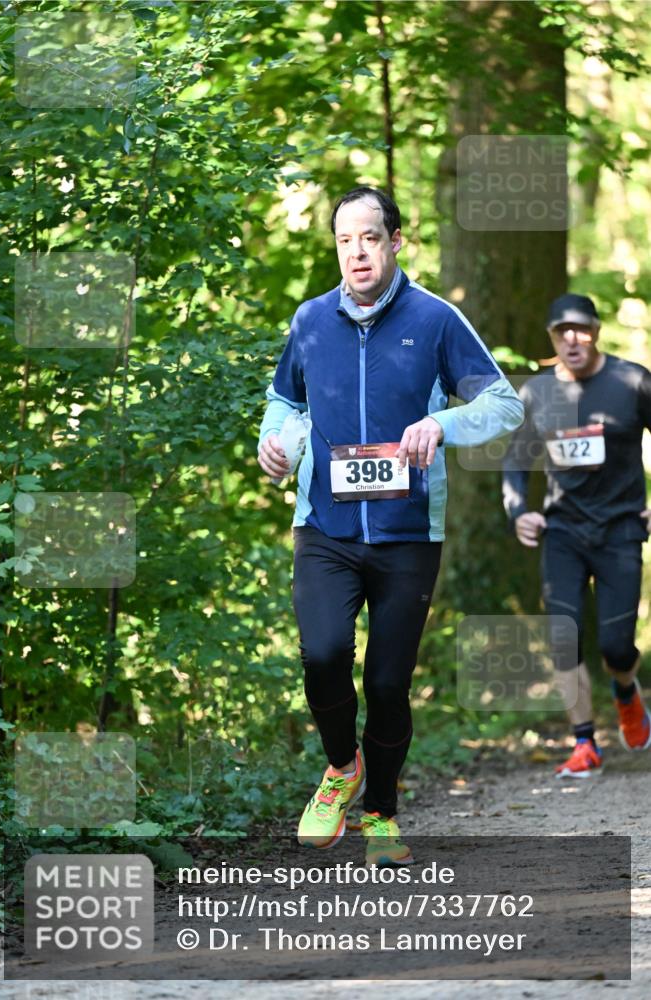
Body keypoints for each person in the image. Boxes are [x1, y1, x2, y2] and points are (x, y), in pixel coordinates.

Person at [258, 186, 523, 865]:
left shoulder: (435, 319)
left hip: (408, 535)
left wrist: (442, 422)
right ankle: (340, 766)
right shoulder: (310, 320)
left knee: (385, 683)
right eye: (344, 241)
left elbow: (503, 404)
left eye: (369, 238)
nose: (356, 253)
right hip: (325, 527)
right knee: (322, 654)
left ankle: (380, 813)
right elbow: (284, 402)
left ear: (395, 241)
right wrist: (275, 443)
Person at [502, 293, 651, 778]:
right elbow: (516, 460)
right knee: (563, 639)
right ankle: (584, 742)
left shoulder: (632, 381)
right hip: (562, 530)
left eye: (581, 329)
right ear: (551, 337)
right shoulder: (538, 393)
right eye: (561, 331)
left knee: (617, 648)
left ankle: (626, 690)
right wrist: (518, 511)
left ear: (596, 332)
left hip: (621, 529)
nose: (572, 339)